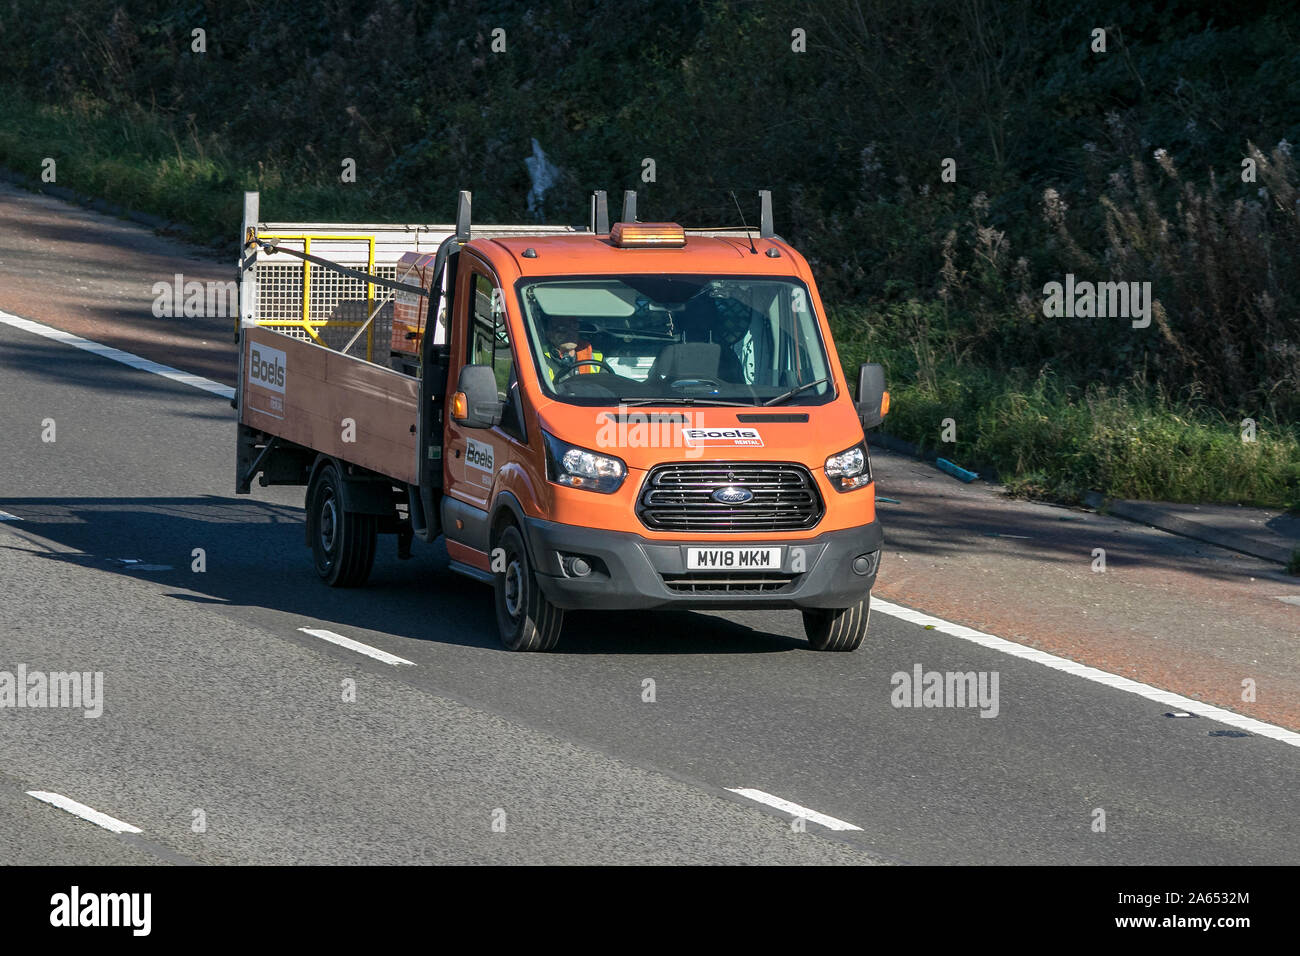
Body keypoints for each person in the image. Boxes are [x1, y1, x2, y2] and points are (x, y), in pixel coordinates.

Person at [542, 315, 603, 382]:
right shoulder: (537, 356)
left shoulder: (596, 356)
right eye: (562, 329)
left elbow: (609, 384)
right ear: (549, 334)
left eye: (574, 326)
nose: (570, 333)